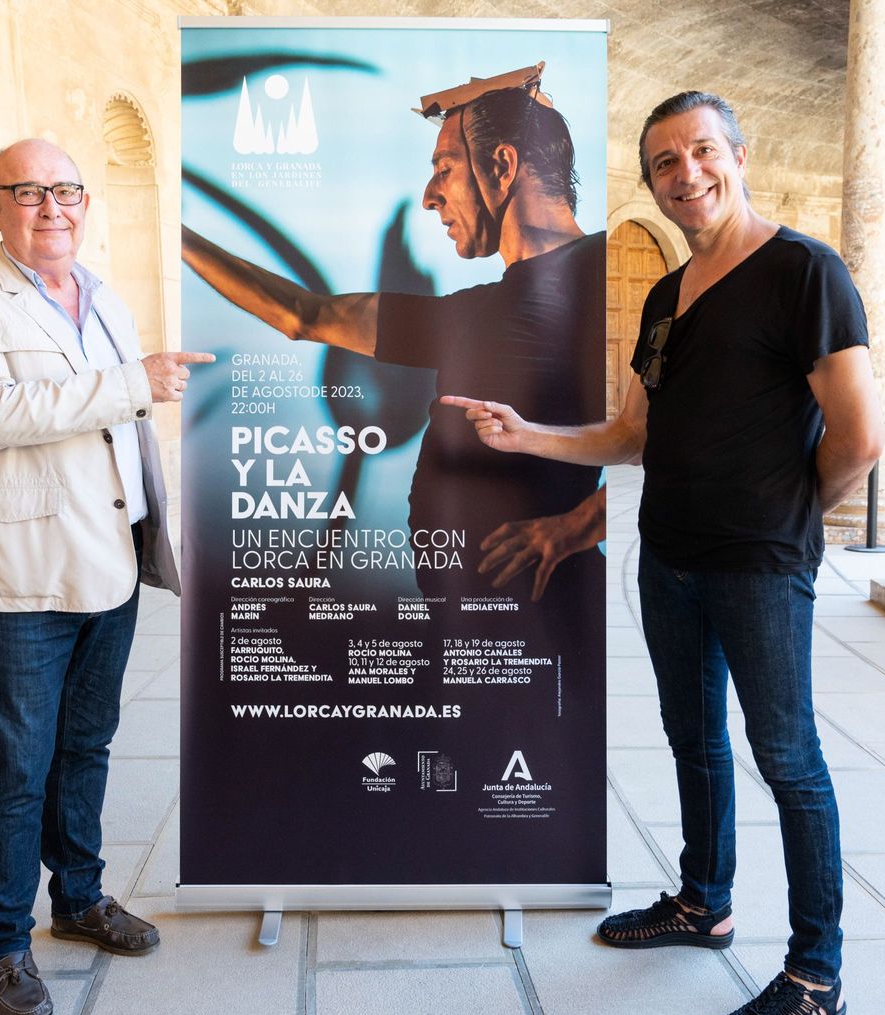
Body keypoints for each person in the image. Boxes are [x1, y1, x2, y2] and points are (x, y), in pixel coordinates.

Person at [443, 92, 883, 1015]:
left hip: (759, 566)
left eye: (702, 152)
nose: (687, 175)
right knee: (693, 737)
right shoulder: (666, 296)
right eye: (664, 164)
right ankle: (704, 900)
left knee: (789, 760)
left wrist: (788, 514)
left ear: (738, 153)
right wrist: (528, 434)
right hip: (671, 557)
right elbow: (631, 435)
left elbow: (858, 437)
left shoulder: (806, 272)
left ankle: (817, 974)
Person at [0, 138, 213, 1015]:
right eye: (30, 191)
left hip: (109, 561)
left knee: (88, 744)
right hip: (22, 577)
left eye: (68, 191)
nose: (53, 206)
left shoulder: (103, 294)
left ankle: (78, 897)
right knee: (15, 766)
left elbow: (125, 429)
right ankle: (4, 944)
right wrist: (131, 381)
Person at [181, 63, 607, 610]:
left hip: (547, 614)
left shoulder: (604, 270)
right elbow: (303, 315)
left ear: (502, 165)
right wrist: (180, 238)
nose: (430, 196)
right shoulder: (473, 314)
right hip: (462, 616)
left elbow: (672, 442)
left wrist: (575, 526)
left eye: (444, 168)